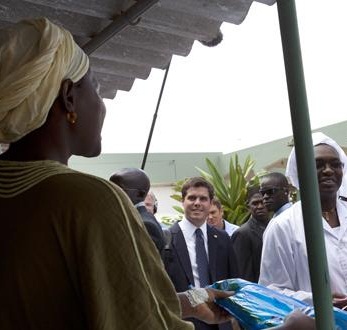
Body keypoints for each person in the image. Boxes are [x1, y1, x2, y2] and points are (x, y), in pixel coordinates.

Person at [0, 17, 231, 329]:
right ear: (69, 96)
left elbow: (97, 301)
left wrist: (190, 301)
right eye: (94, 87)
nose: (101, 105)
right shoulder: (90, 200)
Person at [259, 132, 347, 314]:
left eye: (335, 164)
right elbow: (271, 292)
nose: (328, 170)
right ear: (300, 172)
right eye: (318, 165)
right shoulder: (283, 227)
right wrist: (317, 300)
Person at [163, 177, 239, 330]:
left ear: (211, 203)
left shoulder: (223, 238)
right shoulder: (166, 240)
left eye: (203, 198)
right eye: (191, 198)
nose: (197, 202)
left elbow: (234, 281)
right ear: (182, 201)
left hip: (221, 321)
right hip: (185, 322)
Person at [110, 167, 165, 253]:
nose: (112, 193)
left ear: (140, 194)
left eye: (119, 189)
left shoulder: (146, 225)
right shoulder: (128, 217)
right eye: (110, 188)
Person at [231, 186, 270, 283]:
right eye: (255, 203)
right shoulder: (242, 234)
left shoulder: (274, 225)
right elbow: (243, 275)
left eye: (262, 202)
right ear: (248, 205)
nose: (260, 206)